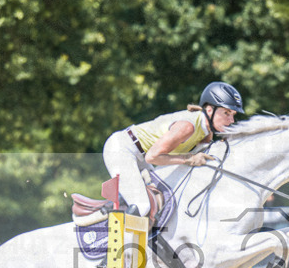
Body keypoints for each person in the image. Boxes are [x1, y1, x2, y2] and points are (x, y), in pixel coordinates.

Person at [102, 81, 245, 217]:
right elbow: (152, 157)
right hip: (122, 148)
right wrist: (189, 159)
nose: (231, 120)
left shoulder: (206, 133)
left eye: (233, 115)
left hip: (141, 155)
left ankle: (117, 203)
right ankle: (113, 231)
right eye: (226, 113)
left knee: (161, 199)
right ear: (209, 110)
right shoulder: (187, 127)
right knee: (143, 207)